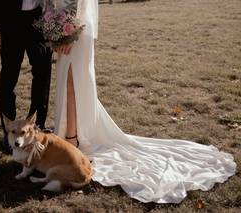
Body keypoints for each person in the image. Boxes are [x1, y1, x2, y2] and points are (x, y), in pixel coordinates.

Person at [53, 0, 236, 203]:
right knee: (67, 82)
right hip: (63, 26)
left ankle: (72, 139)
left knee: (73, 82)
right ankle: (71, 135)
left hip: (76, 29)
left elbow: (82, 4)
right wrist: (53, 28)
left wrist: (69, 33)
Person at [0, 0, 53, 153]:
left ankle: (37, 127)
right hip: (9, 21)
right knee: (9, 76)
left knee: (43, 74)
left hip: (39, 20)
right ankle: (9, 132)